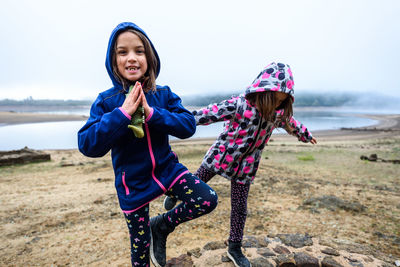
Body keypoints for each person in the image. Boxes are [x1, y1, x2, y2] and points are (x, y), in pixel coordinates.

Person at [77, 22, 218, 267]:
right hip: (132, 184)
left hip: (167, 171)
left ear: (149, 57)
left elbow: (188, 125)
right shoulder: (106, 101)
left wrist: (153, 114)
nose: (131, 58)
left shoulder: (163, 93)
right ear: (113, 61)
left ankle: (161, 226)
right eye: (123, 52)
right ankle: (148, 239)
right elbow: (87, 144)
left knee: (207, 199)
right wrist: (121, 114)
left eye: (139, 51)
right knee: (140, 255)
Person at [163, 62, 317, 267]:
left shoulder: (278, 114)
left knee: (240, 207)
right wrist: (177, 121)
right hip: (220, 156)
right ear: (263, 92)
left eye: (282, 102)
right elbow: (208, 113)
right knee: (194, 182)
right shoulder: (239, 104)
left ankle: (234, 247)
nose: (277, 106)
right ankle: (174, 193)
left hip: (247, 166)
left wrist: (305, 135)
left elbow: (292, 123)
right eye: (275, 100)